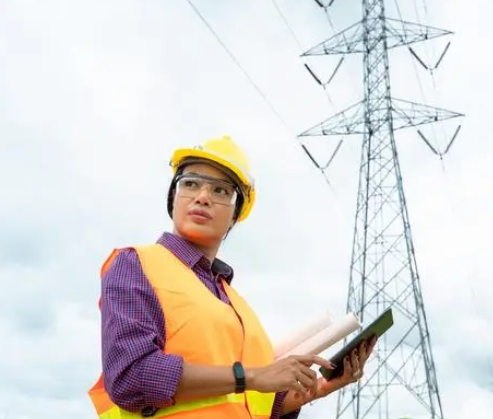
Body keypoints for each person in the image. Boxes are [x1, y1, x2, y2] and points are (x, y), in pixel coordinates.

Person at [87, 135, 378, 419]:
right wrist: (250, 376)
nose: (202, 197)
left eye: (221, 191)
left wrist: (319, 388)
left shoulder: (234, 304)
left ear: (236, 213)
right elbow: (130, 376)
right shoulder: (137, 263)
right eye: (190, 184)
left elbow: (246, 402)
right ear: (173, 198)